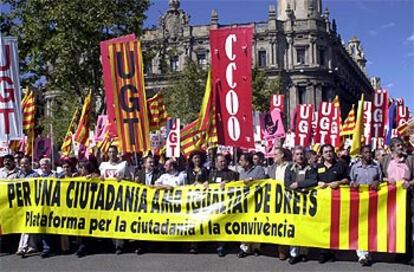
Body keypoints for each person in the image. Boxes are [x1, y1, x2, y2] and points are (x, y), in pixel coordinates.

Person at [380, 137, 414, 265]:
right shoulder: (385, 160)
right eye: (398, 145)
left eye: (402, 145)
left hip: (408, 196)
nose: (401, 147)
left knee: (409, 225)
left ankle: (410, 254)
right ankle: (399, 252)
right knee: (396, 224)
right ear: (392, 148)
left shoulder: (410, 159)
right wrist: (386, 180)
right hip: (391, 198)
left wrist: (409, 183)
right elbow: (379, 177)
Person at [315, 144, 349, 263]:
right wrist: (318, 183)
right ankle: (323, 252)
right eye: (326, 152)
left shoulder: (340, 165)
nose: (328, 154)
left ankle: (332, 251)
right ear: (322, 154)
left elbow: (347, 179)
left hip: (336, 201)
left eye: (330, 151)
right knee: (322, 226)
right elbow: (313, 180)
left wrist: (339, 182)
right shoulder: (317, 167)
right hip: (322, 201)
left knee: (334, 226)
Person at [284, 146, 318, 264]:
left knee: (305, 227)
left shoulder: (310, 168)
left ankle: (304, 252)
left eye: (301, 154)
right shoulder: (289, 168)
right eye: (297, 154)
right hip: (292, 202)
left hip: (306, 202)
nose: (300, 156)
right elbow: (287, 183)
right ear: (293, 156)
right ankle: (293, 253)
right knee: (293, 228)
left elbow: (313, 180)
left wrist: (298, 184)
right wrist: (294, 185)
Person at [349, 145, 382, 266]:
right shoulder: (354, 167)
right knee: (359, 227)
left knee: (370, 226)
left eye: (370, 152)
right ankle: (361, 254)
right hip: (359, 201)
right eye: (366, 152)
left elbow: (381, 180)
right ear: (361, 154)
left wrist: (377, 182)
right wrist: (353, 184)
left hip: (373, 201)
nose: (368, 154)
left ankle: (368, 252)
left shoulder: (376, 166)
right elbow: (350, 181)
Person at [99, 145, 129, 254]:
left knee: (119, 220)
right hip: (107, 196)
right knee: (109, 220)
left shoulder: (123, 164)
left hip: (120, 196)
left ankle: (119, 245)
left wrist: (123, 179)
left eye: (113, 152)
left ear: (117, 152)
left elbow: (129, 178)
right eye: (110, 152)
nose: (112, 154)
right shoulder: (103, 165)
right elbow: (100, 178)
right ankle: (110, 244)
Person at [208, 154, 239, 257]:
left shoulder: (231, 173)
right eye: (221, 161)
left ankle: (222, 245)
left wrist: (229, 183)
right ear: (216, 162)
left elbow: (237, 186)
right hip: (214, 204)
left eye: (224, 161)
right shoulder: (212, 173)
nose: (223, 163)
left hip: (226, 204)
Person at [237, 153, 266, 258]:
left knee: (256, 225)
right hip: (245, 202)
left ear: (247, 162)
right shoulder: (241, 172)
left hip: (257, 202)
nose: (240, 162)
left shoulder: (259, 169)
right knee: (244, 225)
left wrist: (251, 181)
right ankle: (244, 247)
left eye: (241, 160)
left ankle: (256, 247)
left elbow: (263, 183)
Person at [267, 147, 291, 260]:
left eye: (275, 154)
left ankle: (287, 249)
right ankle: (281, 249)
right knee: (278, 224)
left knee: (287, 223)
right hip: (275, 199)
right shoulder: (272, 168)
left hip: (288, 199)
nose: (273, 156)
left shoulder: (290, 166)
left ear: (282, 155)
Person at [14, 157, 39, 257]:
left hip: (31, 204)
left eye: (25, 163)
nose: (23, 166)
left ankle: (22, 248)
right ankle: (32, 247)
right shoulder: (18, 175)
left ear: (30, 164)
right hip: (21, 204)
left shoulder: (35, 175)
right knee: (26, 226)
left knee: (27, 225)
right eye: (21, 164)